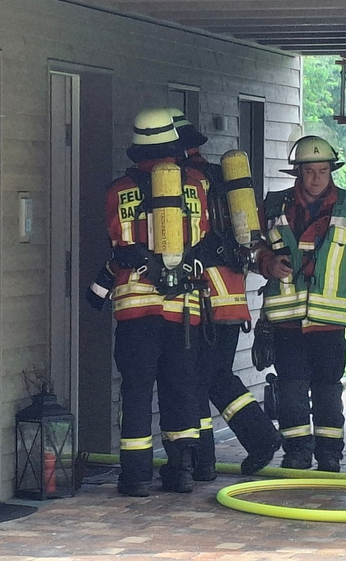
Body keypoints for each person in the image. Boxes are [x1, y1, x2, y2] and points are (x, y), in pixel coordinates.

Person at [255, 135, 346, 472]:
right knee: (291, 389)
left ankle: (329, 455)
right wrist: (267, 263)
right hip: (286, 320)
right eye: (309, 171)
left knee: (328, 389)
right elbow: (251, 248)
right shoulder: (273, 206)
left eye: (323, 171)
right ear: (298, 172)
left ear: (331, 171)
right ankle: (297, 453)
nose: (316, 178)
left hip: (329, 322)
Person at [168, 109, 283, 480]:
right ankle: (258, 439)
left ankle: (206, 462)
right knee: (216, 377)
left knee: (195, 381)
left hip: (201, 302)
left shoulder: (181, 184)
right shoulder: (222, 179)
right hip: (230, 300)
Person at [103, 107, 210, 496]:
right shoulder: (196, 186)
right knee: (180, 388)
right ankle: (180, 472)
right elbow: (202, 236)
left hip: (136, 308)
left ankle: (135, 477)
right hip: (183, 309)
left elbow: (118, 240)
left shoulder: (118, 190)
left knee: (136, 391)